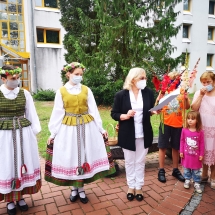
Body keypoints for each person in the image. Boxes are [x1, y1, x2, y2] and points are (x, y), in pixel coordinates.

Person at [45, 62, 115, 204]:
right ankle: (73, 188)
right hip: (69, 129)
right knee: (72, 156)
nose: (79, 77)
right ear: (68, 74)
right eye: (76, 74)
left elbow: (93, 110)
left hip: (86, 127)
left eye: (81, 75)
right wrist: (53, 133)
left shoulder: (86, 90)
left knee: (84, 154)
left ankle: (81, 189)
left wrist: (101, 129)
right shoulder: (61, 91)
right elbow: (58, 113)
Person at [0, 65, 41, 215]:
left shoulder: (24, 93)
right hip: (3, 136)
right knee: (8, 164)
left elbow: (31, 113)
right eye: (12, 79)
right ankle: (10, 200)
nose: (16, 81)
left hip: (23, 133)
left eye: (18, 78)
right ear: (3, 78)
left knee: (23, 163)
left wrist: (34, 132)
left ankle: (21, 197)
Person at [111, 67, 155, 201]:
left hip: (144, 133)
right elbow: (114, 114)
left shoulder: (149, 93)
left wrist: (153, 112)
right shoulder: (121, 95)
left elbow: (150, 110)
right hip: (127, 133)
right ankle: (131, 186)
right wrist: (125, 115)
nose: (145, 80)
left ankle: (139, 186)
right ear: (133, 79)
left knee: (140, 161)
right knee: (129, 162)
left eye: (145, 77)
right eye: (142, 78)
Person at [157, 71, 190, 183]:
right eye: (171, 80)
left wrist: (186, 98)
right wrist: (160, 97)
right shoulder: (164, 90)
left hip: (178, 124)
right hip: (165, 123)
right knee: (162, 146)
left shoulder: (182, 91)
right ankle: (161, 170)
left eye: (176, 79)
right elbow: (157, 106)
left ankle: (175, 169)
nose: (174, 82)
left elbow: (187, 107)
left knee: (176, 147)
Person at [191, 71, 215, 189]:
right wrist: (200, 95)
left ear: (214, 82)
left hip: (214, 127)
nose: (206, 85)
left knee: (213, 151)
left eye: (208, 82)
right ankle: (204, 174)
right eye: (203, 82)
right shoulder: (198, 93)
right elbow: (194, 108)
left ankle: (214, 176)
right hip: (202, 127)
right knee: (203, 151)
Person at [180, 110, 204, 193]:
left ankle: (197, 182)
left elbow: (201, 144)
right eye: (188, 118)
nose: (190, 120)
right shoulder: (184, 130)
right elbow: (182, 141)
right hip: (186, 155)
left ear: (197, 120)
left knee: (196, 170)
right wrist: (181, 151)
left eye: (192, 119)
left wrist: (201, 154)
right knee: (186, 169)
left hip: (196, 156)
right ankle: (187, 179)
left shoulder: (200, 132)